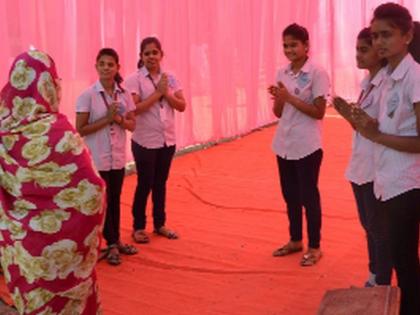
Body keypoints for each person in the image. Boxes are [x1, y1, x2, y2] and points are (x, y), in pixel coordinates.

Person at [0, 50, 104, 314]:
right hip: (66, 255)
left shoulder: (4, 133)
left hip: (27, 252)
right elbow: (93, 189)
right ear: (49, 84)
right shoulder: (60, 133)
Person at [352, 3, 420, 314]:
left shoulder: (414, 77)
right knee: (401, 258)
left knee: (405, 263)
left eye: (387, 35)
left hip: (408, 182)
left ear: (407, 36)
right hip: (386, 180)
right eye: (376, 35)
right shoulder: (389, 76)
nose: (379, 42)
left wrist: (377, 136)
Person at [333, 28, 392, 287]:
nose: (357, 54)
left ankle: (381, 282)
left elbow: (381, 130)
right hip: (360, 165)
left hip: (376, 167)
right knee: (368, 225)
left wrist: (358, 118)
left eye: (363, 49)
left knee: (379, 229)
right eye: (357, 49)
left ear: (380, 53)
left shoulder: (387, 86)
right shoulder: (367, 84)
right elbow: (362, 128)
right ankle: (373, 275)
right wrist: (349, 116)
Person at [268, 23, 329, 266]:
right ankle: (295, 240)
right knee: (290, 195)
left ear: (306, 46)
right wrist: (280, 99)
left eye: (294, 44)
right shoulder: (282, 73)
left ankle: (314, 246)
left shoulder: (317, 73)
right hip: (284, 143)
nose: (289, 49)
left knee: (308, 197)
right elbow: (278, 113)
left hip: (307, 146)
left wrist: (290, 98)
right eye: (285, 45)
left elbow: (319, 112)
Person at [76, 48, 138, 266]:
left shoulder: (124, 94)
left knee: (115, 198)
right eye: (102, 64)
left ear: (117, 68)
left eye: (110, 64)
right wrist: (107, 119)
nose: (106, 68)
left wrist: (119, 120)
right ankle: (111, 243)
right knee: (104, 201)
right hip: (98, 159)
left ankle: (115, 240)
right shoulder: (87, 96)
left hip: (118, 157)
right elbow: (80, 129)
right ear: (96, 66)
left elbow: (132, 124)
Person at [125, 37, 186, 243]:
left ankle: (160, 224)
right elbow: (134, 109)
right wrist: (157, 94)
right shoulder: (134, 79)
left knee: (161, 183)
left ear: (162, 55)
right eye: (147, 53)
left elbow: (181, 105)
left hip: (167, 140)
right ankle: (138, 226)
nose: (151, 56)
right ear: (141, 57)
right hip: (144, 141)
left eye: (155, 52)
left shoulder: (170, 78)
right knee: (145, 183)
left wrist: (166, 92)